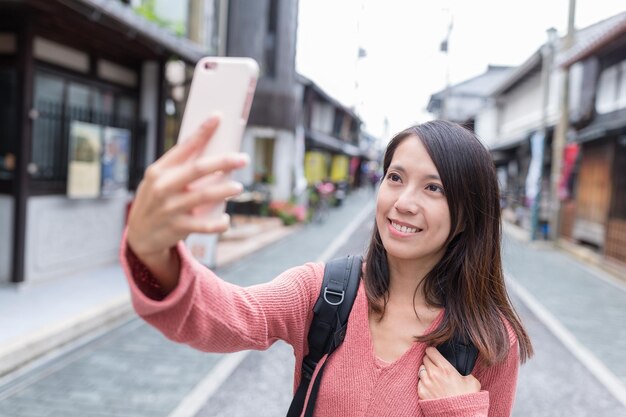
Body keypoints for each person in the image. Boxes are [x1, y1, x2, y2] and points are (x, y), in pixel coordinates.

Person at [122, 117, 533, 416]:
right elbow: (227, 316)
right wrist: (152, 251)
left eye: (433, 187)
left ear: (466, 215)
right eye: (395, 177)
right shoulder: (325, 291)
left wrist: (458, 411)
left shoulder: (490, 340)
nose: (404, 201)